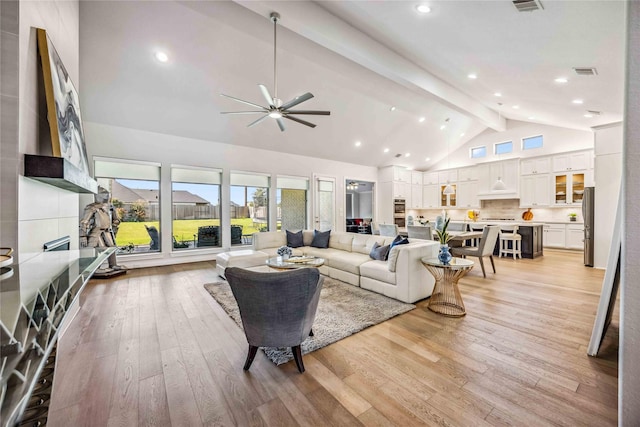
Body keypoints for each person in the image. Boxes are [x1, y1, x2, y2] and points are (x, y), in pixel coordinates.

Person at [80, 186, 126, 274]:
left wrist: (115, 223)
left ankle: (113, 265)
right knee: (100, 249)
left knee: (111, 248)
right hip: (97, 232)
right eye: (104, 195)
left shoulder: (108, 207)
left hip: (107, 231)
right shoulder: (91, 208)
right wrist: (82, 236)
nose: (106, 197)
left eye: (107, 195)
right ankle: (96, 267)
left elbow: (115, 219)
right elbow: (84, 222)